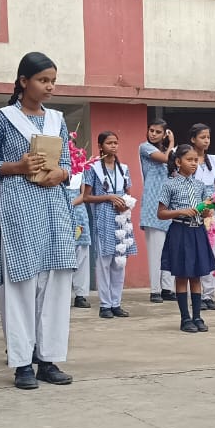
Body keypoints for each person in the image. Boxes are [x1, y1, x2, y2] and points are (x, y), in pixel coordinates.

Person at [0, 51, 76, 390]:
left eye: (53, 81)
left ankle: (48, 359)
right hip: (18, 209)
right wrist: (16, 167)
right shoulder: (3, 119)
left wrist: (61, 173)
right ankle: (22, 364)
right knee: (21, 285)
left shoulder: (57, 119)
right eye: (43, 80)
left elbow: (67, 163)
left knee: (55, 284)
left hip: (54, 210)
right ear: (23, 81)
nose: (50, 87)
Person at [158, 145, 215, 333]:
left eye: (195, 160)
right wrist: (180, 211)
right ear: (178, 162)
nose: (194, 163)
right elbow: (161, 213)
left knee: (196, 275)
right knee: (182, 275)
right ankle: (185, 318)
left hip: (197, 231)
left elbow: (206, 209)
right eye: (189, 160)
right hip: (180, 230)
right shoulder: (169, 184)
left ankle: (197, 317)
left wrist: (208, 210)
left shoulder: (200, 185)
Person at [82, 131, 137, 319]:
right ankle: (105, 304)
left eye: (115, 142)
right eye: (109, 143)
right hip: (103, 218)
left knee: (119, 261)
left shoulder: (124, 168)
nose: (113, 146)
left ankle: (116, 303)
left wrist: (125, 203)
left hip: (121, 217)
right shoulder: (93, 168)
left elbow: (128, 193)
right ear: (100, 146)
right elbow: (86, 197)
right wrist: (108, 197)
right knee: (104, 262)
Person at [188, 124, 215, 311]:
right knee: (197, 251)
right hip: (194, 210)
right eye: (202, 137)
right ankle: (197, 294)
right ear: (193, 139)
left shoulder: (214, 161)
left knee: (213, 250)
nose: (206, 141)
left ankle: (209, 294)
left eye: (208, 137)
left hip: (212, 212)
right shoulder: (188, 160)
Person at [139, 119, 177, 302]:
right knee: (156, 251)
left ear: (164, 134)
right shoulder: (145, 147)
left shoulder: (169, 151)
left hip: (169, 205)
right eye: (151, 130)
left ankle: (167, 288)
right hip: (153, 206)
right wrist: (172, 143)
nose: (153, 134)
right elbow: (166, 159)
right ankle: (155, 289)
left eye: (157, 132)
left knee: (170, 249)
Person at [68, 171, 93, 309]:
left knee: (81, 252)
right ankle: (62, 294)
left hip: (78, 214)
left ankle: (80, 294)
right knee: (63, 252)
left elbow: (84, 195)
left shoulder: (81, 171)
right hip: (60, 213)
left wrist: (70, 204)